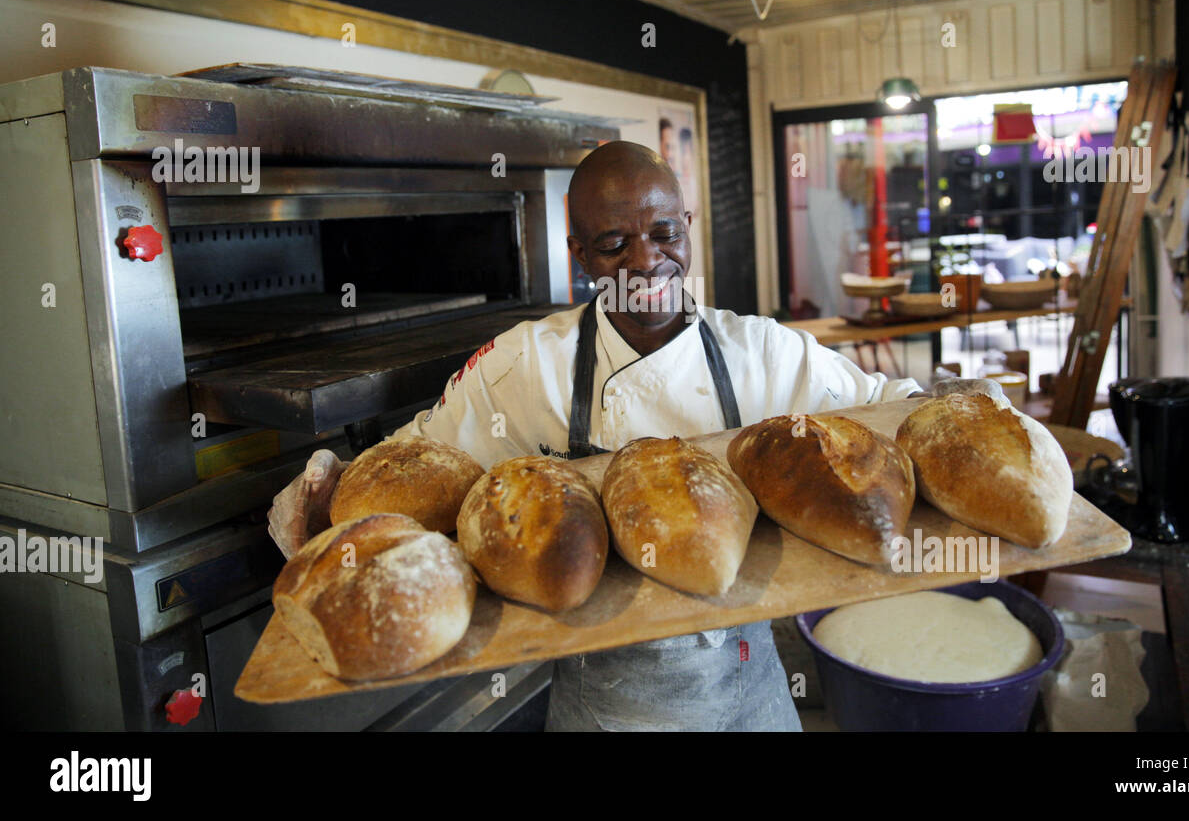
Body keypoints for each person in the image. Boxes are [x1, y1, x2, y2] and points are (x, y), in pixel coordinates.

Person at [268, 140, 919, 731]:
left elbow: (895, 411)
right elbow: (407, 471)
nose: (646, 262)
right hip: (604, 706)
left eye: (665, 233)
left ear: (688, 230)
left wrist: (967, 401)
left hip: (752, 695)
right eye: (614, 244)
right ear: (577, 254)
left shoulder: (766, 354)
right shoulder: (521, 368)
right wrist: (323, 491)